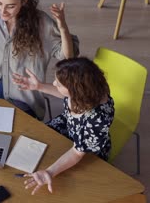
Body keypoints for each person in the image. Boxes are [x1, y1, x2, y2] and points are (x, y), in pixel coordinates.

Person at [12, 57, 114, 195]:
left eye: (59, 84)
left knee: (65, 178)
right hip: (69, 126)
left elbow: (77, 153)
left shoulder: (98, 119)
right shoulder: (87, 90)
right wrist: (39, 86)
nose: (54, 84)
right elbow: (65, 95)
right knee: (34, 142)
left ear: (76, 90)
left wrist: (50, 172)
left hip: (86, 148)